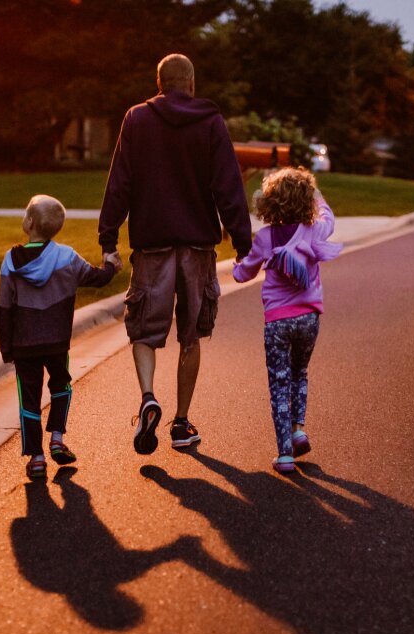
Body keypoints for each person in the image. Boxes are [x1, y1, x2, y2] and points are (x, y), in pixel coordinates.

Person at [99, 53, 252, 455]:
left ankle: (149, 397)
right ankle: (181, 423)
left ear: (159, 82)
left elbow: (120, 182)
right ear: (192, 83)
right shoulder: (211, 122)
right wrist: (242, 242)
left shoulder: (137, 119)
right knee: (191, 335)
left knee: (144, 332)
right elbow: (228, 186)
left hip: (153, 245)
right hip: (198, 247)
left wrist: (108, 238)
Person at [0, 195, 120, 479]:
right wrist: (111, 265)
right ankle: (56, 438)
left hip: (24, 346)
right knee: (61, 386)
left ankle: (37, 457)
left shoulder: (10, 261)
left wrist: (7, 348)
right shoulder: (66, 257)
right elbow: (97, 278)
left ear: (29, 223)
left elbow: (4, 308)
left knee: (28, 399)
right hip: (55, 343)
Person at [232, 167, 342, 473]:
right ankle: (298, 430)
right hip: (309, 318)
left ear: (270, 203)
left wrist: (236, 266)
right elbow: (328, 217)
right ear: (306, 201)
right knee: (299, 373)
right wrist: (316, 195)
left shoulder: (265, 237)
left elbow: (244, 273)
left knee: (279, 383)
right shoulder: (314, 230)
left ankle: (284, 454)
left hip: (277, 323)